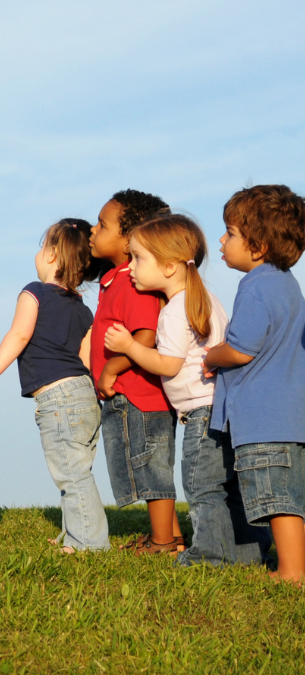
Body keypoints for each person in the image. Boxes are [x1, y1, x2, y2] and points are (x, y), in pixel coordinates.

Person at [105, 215, 268, 565]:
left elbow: (169, 364)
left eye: (138, 258)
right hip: (222, 408)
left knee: (201, 486)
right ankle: (249, 548)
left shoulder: (175, 311)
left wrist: (129, 347)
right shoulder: (204, 298)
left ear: (168, 266)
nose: (131, 266)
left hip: (201, 414)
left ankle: (211, 556)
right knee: (229, 488)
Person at [0, 220, 108, 552]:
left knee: (71, 474)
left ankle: (89, 545)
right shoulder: (82, 309)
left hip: (58, 397)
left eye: (41, 247)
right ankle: (74, 533)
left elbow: (19, 334)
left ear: (52, 255)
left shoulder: (34, 292)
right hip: (84, 394)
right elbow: (86, 357)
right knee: (75, 468)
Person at [205, 185, 305, 584]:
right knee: (290, 496)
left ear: (258, 245)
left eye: (229, 233)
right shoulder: (286, 283)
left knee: (276, 498)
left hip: (263, 416)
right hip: (289, 415)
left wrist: (213, 355)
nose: (222, 241)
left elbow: (243, 349)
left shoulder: (256, 285)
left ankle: (291, 572)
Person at [89, 189, 183, 553]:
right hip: (130, 393)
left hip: (141, 394)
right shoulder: (117, 278)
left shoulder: (134, 279)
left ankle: (163, 540)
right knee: (147, 468)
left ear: (129, 241)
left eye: (102, 224)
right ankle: (170, 537)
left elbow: (146, 333)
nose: (93, 231)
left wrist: (112, 366)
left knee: (150, 466)